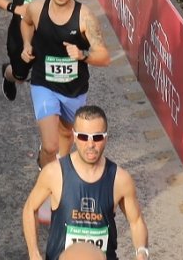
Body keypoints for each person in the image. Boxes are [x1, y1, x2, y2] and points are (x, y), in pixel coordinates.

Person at [22, 105, 149, 260]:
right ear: (74, 137)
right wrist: (34, 253)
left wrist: (142, 252)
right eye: (83, 137)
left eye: (97, 137)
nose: (90, 145)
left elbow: (136, 221)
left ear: (106, 137)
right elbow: (30, 208)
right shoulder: (54, 173)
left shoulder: (120, 179)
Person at [20, 0, 112, 169]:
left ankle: (60, 165)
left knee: (65, 133)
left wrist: (83, 56)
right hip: (43, 83)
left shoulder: (85, 16)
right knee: (50, 145)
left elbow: (104, 57)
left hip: (74, 89)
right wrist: (27, 44)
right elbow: (25, 22)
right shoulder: (35, 8)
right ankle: (46, 178)